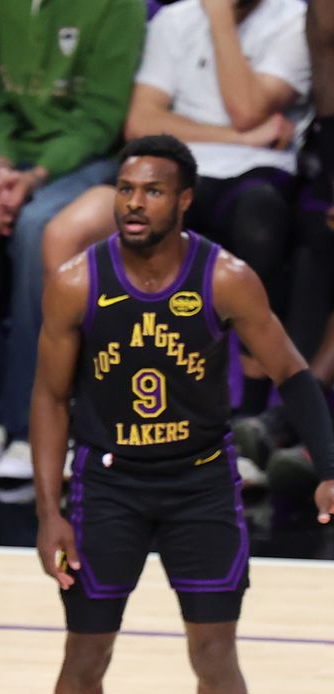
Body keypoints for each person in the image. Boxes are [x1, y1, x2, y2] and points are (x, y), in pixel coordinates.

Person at [30, 135, 334, 694]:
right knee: (85, 656)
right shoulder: (76, 282)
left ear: (185, 200)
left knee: (216, 656)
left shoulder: (226, 277)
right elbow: (50, 398)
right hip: (106, 485)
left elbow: (290, 370)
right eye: (127, 189)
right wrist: (49, 512)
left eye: (154, 191)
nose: (135, 204)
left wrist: (328, 465)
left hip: (201, 484)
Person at [41, 0, 312, 415]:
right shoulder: (176, 18)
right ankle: (88, 398)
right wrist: (240, 138)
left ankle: (252, 416)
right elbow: (141, 122)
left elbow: (246, 108)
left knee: (261, 222)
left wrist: (220, 17)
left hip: (256, 173)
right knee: (66, 231)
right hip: (174, 166)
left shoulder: (293, 19)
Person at [0, 0, 144, 485]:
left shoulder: (121, 7)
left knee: (38, 232)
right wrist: (3, 167)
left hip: (82, 160)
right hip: (6, 160)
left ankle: (32, 418)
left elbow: (101, 118)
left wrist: (34, 179)